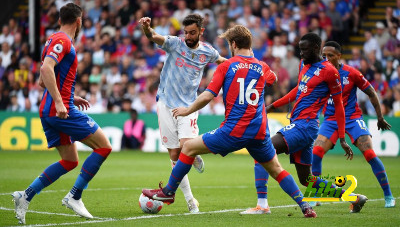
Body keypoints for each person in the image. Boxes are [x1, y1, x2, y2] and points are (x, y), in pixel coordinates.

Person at [142, 25, 317, 218]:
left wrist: (187, 110)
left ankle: (168, 192)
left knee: (188, 148)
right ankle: (305, 206)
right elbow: (272, 79)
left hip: (234, 130)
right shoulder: (261, 66)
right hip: (259, 132)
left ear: (233, 44)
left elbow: (208, 95)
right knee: (276, 169)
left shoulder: (226, 66)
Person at [242, 33, 367, 215]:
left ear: (316, 48)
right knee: (307, 179)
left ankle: (262, 205)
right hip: (301, 125)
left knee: (262, 150)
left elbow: (339, 105)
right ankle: (354, 198)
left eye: (304, 49)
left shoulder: (329, 71)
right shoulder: (304, 64)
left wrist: (341, 137)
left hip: (306, 125)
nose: (301, 53)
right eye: (300, 49)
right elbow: (298, 89)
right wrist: (273, 105)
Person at [11, 3, 112, 224]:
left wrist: (68, 96)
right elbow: (46, 70)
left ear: (59, 20)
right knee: (104, 146)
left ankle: (25, 196)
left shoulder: (52, 40)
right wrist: (60, 101)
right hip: (58, 110)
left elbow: (42, 79)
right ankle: (74, 195)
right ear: (79, 21)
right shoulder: (63, 41)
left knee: (69, 160)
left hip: (52, 108)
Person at [138, 14, 226, 213]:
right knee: (175, 155)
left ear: (201, 32)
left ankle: (193, 155)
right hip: (166, 104)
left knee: (186, 147)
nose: (188, 36)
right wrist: (146, 28)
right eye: (186, 32)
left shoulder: (207, 51)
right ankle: (190, 201)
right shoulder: (175, 44)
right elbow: (154, 37)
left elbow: (223, 62)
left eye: (192, 33)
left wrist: (243, 65)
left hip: (188, 107)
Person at [311, 41, 395, 208]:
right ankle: (316, 195)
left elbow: (371, 93)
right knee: (316, 152)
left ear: (339, 56)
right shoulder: (320, 73)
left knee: (370, 154)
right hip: (330, 119)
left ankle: (388, 196)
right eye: (324, 55)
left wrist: (379, 117)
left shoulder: (351, 73)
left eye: (330, 56)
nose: (326, 59)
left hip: (352, 118)